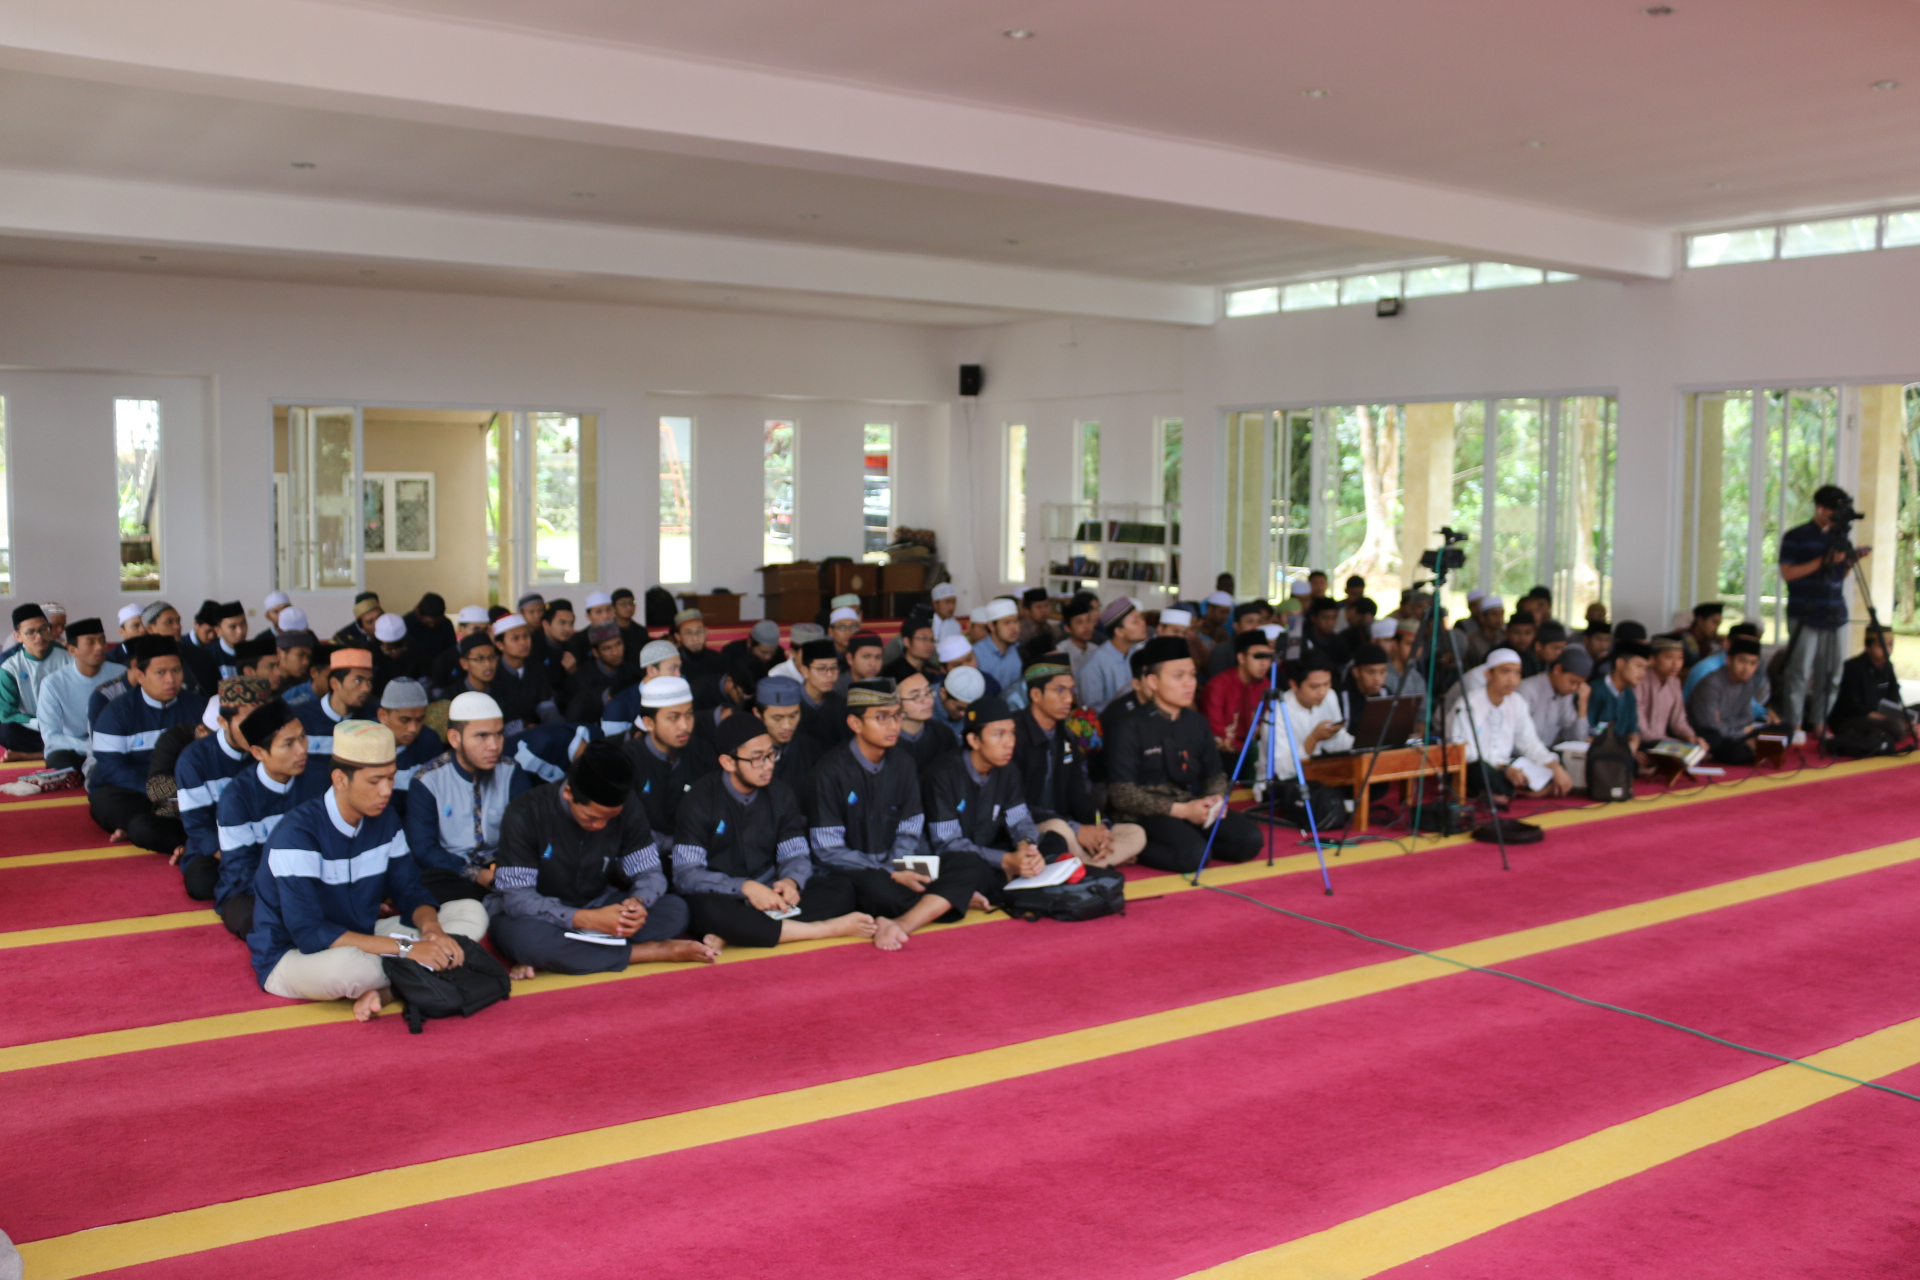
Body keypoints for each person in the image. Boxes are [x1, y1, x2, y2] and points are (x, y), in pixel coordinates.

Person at [247, 720, 489, 1020]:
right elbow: (310, 932)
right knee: (348, 971)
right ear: (340, 779)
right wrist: (406, 948)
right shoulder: (296, 835)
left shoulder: (385, 819)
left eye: (390, 778)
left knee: (470, 912)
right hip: (295, 955)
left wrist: (433, 932)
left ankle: (394, 987)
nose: (386, 791)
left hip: (363, 936)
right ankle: (422, 973)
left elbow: (409, 889)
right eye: (375, 781)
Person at [490, 740, 719, 975]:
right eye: (591, 818)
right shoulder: (526, 812)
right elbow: (517, 897)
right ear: (568, 793)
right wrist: (584, 919)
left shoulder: (628, 806)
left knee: (674, 911)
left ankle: (570, 954)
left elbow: (649, 871)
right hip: (540, 917)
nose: (600, 826)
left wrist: (637, 903)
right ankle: (651, 952)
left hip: (599, 903)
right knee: (525, 940)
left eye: (610, 818)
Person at [671, 711, 874, 948]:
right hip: (725, 894)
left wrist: (791, 881)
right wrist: (744, 888)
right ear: (728, 762)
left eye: (771, 754)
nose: (768, 765)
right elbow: (686, 874)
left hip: (771, 891)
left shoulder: (781, 794)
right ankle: (821, 930)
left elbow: (795, 854)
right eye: (757, 758)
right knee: (705, 910)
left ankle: (740, 932)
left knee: (841, 889)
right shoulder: (698, 800)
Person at [808, 679, 976, 950]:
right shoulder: (829, 772)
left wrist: (899, 865)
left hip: (899, 865)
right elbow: (827, 850)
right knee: (872, 890)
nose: (893, 726)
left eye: (897, 716)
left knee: (968, 864)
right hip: (857, 872)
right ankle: (943, 900)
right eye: (882, 718)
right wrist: (890, 872)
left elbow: (911, 826)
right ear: (855, 723)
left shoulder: (904, 763)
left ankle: (903, 920)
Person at [1104, 636, 1263, 873]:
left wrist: (1214, 801)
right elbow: (1122, 794)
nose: (1189, 683)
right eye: (1179, 676)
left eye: (1192, 675)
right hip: (1146, 813)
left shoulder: (1197, 722)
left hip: (1191, 803)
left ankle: (1195, 841)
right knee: (1194, 855)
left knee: (1249, 840)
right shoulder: (1128, 725)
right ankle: (1139, 846)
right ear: (1153, 681)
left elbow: (1215, 774)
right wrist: (1181, 811)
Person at [922, 694, 1052, 912]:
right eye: (999, 734)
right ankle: (992, 884)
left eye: (1012, 732)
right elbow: (947, 843)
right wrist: (1006, 860)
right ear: (974, 740)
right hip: (954, 860)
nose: (1009, 742)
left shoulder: (1007, 770)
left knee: (1053, 841)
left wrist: (1027, 846)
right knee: (971, 869)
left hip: (990, 853)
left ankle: (1004, 880)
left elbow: (1020, 819)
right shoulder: (942, 775)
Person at [406, 690, 534, 910]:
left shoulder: (511, 772)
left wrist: (503, 870)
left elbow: (525, 832)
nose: (494, 745)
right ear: (455, 738)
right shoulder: (428, 780)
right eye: (482, 736)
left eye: (499, 734)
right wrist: (476, 874)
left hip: (503, 868)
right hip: (452, 872)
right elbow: (424, 849)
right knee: (426, 885)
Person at [1013, 655, 1144, 867]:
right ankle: (1093, 863)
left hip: (1067, 824)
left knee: (1135, 833)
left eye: (1071, 690)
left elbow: (1078, 792)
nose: (1069, 699)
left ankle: (1085, 862)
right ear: (1036, 694)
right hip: (1028, 828)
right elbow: (1015, 804)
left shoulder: (1066, 735)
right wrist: (1076, 829)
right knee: (1061, 831)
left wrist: (1099, 825)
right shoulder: (1013, 736)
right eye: (1060, 690)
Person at [87, 635, 204, 852]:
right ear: (140, 675)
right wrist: (158, 793)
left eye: (176, 671)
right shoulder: (116, 713)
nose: (170, 679)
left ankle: (156, 832)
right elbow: (112, 769)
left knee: (147, 825)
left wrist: (181, 792)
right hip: (134, 792)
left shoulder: (199, 708)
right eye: (161, 672)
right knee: (106, 802)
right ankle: (177, 832)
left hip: (183, 790)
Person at [212, 699, 308, 939]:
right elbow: (241, 870)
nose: (301, 750)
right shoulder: (236, 799)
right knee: (259, 920)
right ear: (258, 752)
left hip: (313, 882)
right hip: (255, 890)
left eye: (303, 737)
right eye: (288, 744)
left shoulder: (320, 780)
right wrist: (293, 897)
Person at [1777, 484, 1865, 743]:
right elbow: (1787, 573)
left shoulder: (1841, 538)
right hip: (1805, 613)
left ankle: (1820, 722)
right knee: (1799, 672)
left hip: (1834, 613)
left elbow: (1839, 575)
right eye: (1833, 511)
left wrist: (1850, 561)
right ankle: (1794, 724)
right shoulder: (1796, 536)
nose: (1837, 516)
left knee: (1832, 673)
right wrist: (1823, 560)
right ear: (1820, 509)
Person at [173, 676, 275, 899]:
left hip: (267, 837)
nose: (256, 729)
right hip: (219, 845)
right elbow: (198, 824)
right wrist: (237, 857)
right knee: (202, 882)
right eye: (247, 722)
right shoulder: (194, 759)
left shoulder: (276, 749)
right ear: (223, 722)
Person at [1448, 648, 1574, 800]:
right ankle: (1513, 792)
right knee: (1480, 770)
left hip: (1507, 765)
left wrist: (1555, 767)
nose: (1512, 679)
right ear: (1488, 674)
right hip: (1478, 766)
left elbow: (1529, 743)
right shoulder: (1469, 704)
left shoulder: (1517, 702)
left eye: (1517, 673)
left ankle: (1506, 792)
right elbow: (1465, 752)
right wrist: (1503, 769)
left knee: (1555, 763)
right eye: (1505, 672)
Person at [623, 675, 717, 841]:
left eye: (689, 714)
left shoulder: (703, 753)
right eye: (674, 717)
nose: (684, 726)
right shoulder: (628, 760)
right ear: (649, 723)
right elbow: (626, 824)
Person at [37, 618, 124, 771]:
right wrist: (90, 746)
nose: (99, 647)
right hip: (74, 747)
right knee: (60, 762)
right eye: (90, 642)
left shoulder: (121, 674)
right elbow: (51, 736)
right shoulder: (52, 684)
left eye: (102, 641)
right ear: (72, 650)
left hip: (114, 744)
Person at [296, 646, 377, 793]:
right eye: (358, 680)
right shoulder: (301, 717)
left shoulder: (372, 719)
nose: (366, 688)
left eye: (369, 681)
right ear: (334, 684)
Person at [1688, 635, 1776, 765]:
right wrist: (1741, 731)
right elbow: (1710, 725)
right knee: (1722, 743)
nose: (1747, 668)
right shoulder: (1711, 684)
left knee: (1782, 729)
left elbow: (1748, 718)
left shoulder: (1748, 682)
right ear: (1729, 659)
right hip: (1709, 734)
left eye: (1752, 663)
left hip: (1732, 731)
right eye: (1742, 661)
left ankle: (1752, 748)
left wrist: (1729, 725)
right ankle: (1752, 749)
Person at [0, 603, 73, 756]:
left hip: (65, 724)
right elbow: (6, 712)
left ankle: (33, 754)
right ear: (18, 637)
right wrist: (37, 723)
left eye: (43, 629)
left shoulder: (68, 659)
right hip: (32, 726)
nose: (39, 636)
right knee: (6, 731)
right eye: (31, 632)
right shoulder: (10, 667)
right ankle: (56, 749)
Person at [1827, 626, 1907, 753]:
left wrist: (1899, 716)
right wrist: (1885, 718)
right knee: (1895, 727)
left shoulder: (1887, 666)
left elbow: (1893, 694)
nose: (1887, 649)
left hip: (1882, 715)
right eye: (1881, 646)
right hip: (1853, 719)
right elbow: (1852, 704)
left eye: (1890, 644)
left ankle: (1903, 727)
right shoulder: (1853, 667)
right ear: (1868, 646)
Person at [1201, 628, 1276, 761]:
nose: (1265, 663)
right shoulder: (1218, 686)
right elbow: (1217, 735)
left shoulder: (1266, 685)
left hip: (1257, 753)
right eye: (1258, 656)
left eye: (1268, 657)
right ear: (1241, 657)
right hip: (1224, 756)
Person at [752, 674, 820, 797]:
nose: (787, 726)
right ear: (758, 714)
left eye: (793, 716)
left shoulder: (811, 748)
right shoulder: (746, 754)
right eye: (777, 718)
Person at [1077, 597, 1147, 713]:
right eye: (1135, 621)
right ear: (1119, 631)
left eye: (1141, 618)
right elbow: (1091, 711)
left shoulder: (1137, 654)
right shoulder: (1093, 665)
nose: (1143, 623)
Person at [1519, 646, 1593, 748]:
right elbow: (1520, 738)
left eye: (1579, 684)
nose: (1574, 688)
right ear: (1558, 670)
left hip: (1546, 754)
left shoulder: (1566, 695)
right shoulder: (1528, 689)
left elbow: (1577, 739)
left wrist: (1583, 706)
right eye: (1572, 682)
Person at [563, 622, 633, 724]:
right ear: (595, 653)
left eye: (618, 644)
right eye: (607, 648)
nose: (615, 652)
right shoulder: (582, 677)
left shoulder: (631, 671)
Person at [1588, 638, 1651, 751]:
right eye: (1638, 666)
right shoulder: (1595, 690)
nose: (1643, 673)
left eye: (1645, 668)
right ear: (1620, 663)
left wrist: (1631, 747)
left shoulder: (1629, 696)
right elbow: (1586, 734)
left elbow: (1633, 733)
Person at [1637, 638, 1702, 746]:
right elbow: (1641, 730)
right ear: (1653, 659)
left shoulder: (1674, 683)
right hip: (1640, 742)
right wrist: (1676, 743)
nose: (1676, 664)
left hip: (1663, 741)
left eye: (1680, 658)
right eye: (1669, 657)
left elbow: (1678, 721)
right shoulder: (1639, 681)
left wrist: (1690, 736)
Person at [894, 669, 958, 772]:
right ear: (896, 702)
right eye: (916, 696)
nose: (928, 700)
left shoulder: (943, 733)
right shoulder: (887, 739)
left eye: (928, 692)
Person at [971, 597, 1026, 708]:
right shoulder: (976, 654)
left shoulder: (1021, 649)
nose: (1014, 627)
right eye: (1007, 623)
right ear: (992, 626)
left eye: (1016, 621)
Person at [796, 638, 848, 748]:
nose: (830, 674)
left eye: (834, 668)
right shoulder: (792, 703)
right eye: (822, 669)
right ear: (805, 671)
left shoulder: (838, 703)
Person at [881, 616, 939, 684]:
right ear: (907, 642)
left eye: (932, 640)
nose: (929, 644)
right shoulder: (891, 674)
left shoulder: (933, 672)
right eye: (923, 639)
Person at [274, 623, 319, 707]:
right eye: (300, 654)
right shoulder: (267, 684)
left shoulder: (308, 685)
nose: (306, 662)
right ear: (280, 653)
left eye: (308, 656)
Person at [1058, 597, 1100, 682]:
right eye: (1079, 622)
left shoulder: (1097, 651)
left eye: (1089, 620)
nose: (1087, 626)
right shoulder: (1060, 653)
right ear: (1067, 628)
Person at [1679, 602, 1724, 669]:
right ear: (1700, 620)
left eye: (1719, 624)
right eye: (1714, 622)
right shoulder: (1681, 638)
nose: (1717, 627)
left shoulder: (1710, 641)